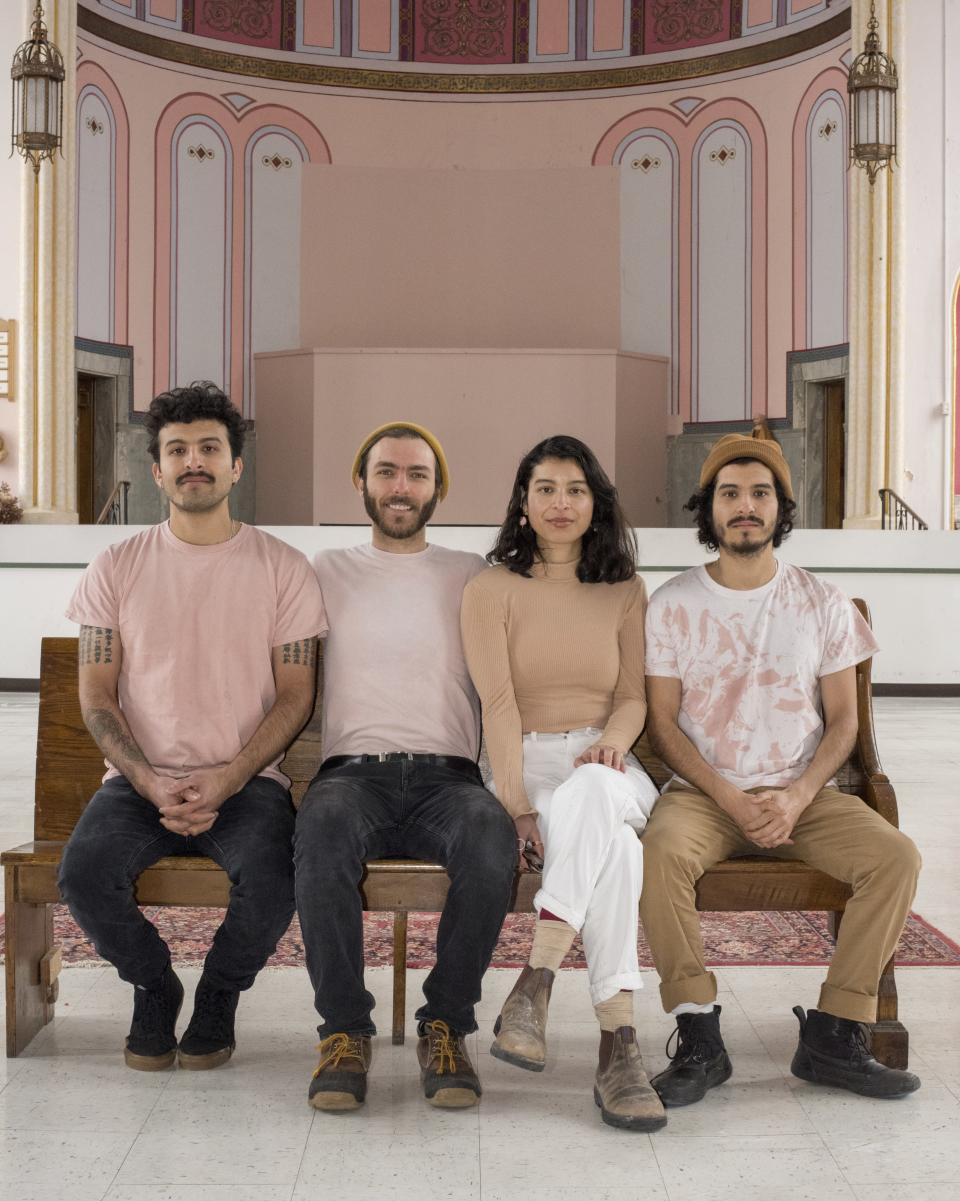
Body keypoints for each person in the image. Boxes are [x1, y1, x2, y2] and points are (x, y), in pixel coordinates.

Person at [641, 433, 922, 1105]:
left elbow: (845, 723)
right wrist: (732, 799)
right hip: (704, 795)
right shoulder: (673, 603)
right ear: (707, 510)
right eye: (730, 494)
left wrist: (796, 795)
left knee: (896, 857)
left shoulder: (823, 603)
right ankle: (699, 1035)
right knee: (658, 853)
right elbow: (663, 725)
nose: (745, 506)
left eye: (760, 493)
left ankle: (834, 1032)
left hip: (805, 796)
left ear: (781, 507)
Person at [58, 382, 326, 1071]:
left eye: (210, 447)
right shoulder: (115, 567)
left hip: (246, 783)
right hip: (139, 780)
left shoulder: (283, 568)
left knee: (276, 883)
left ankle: (218, 995)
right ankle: (154, 983)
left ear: (237, 465)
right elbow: (95, 695)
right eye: (177, 449)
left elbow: (296, 696)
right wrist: (147, 779)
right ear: (157, 471)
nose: (194, 460)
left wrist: (227, 775)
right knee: (84, 875)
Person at [295, 421, 517, 1112]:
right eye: (386, 471)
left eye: (416, 474)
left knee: (491, 837)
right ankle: (344, 1032)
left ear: (438, 488)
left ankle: (446, 1024)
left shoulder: (471, 573)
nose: (400, 486)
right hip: (351, 775)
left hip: (447, 778)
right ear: (359, 482)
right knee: (319, 830)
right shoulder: (322, 570)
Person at [460, 435, 665, 1132]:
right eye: (544, 487)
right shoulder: (490, 589)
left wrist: (610, 743)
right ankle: (620, 1042)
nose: (560, 502)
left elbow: (634, 696)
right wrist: (516, 805)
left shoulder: (625, 589)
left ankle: (538, 976)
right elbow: (498, 704)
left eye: (575, 488)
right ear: (522, 502)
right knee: (622, 853)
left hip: (609, 761)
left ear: (596, 503)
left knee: (596, 793)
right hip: (527, 761)